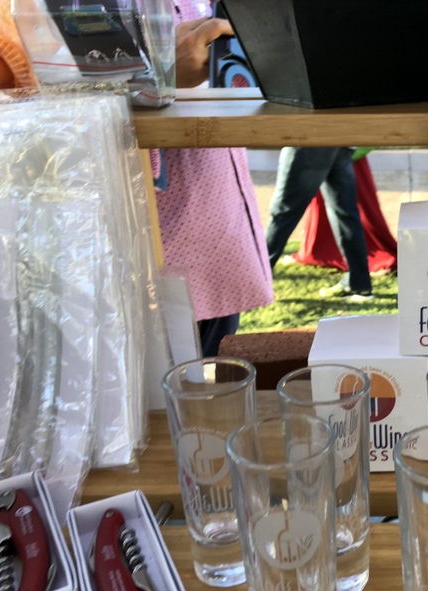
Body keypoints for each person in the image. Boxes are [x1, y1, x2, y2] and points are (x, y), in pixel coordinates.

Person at [153, 0, 273, 357]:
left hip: (221, 239)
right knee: (164, 386)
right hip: (159, 260)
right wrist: (158, 74)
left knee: (211, 380)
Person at [265, 147, 373, 300]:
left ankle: (251, 283)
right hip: (341, 144)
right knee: (345, 213)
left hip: (309, 143)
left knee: (283, 214)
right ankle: (359, 285)